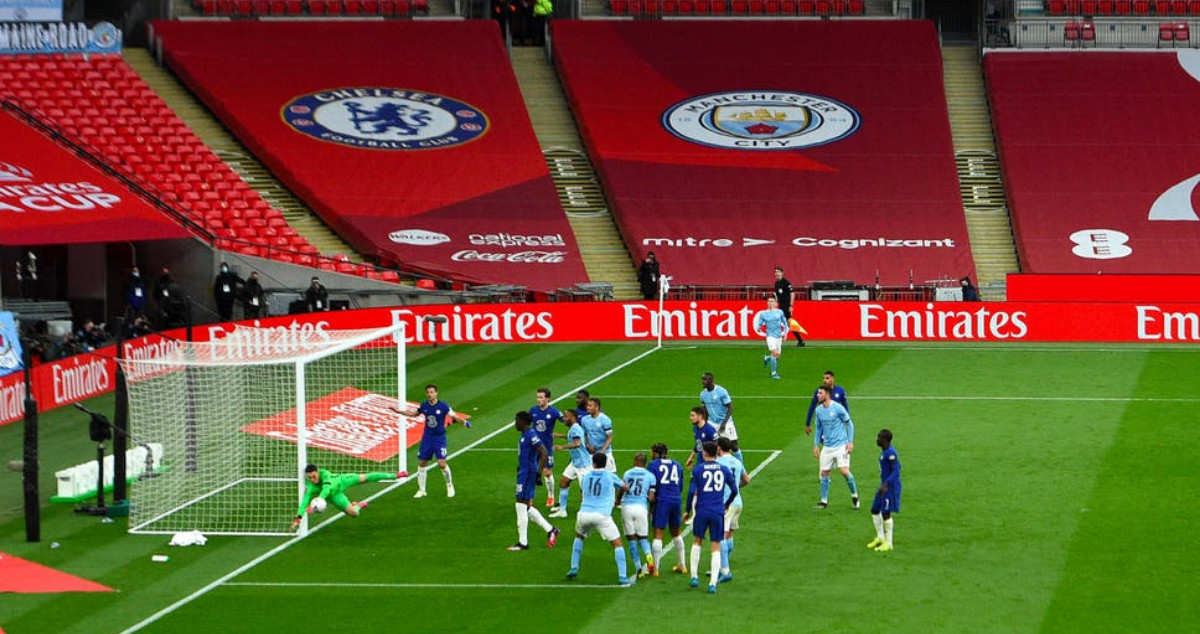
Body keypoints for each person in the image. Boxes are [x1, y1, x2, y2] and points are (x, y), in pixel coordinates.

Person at [566, 453, 633, 585]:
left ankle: (574, 567)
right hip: (601, 515)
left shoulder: (586, 476)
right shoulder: (609, 475)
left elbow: (582, 494)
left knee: (579, 536)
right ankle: (623, 576)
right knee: (617, 544)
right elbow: (625, 487)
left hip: (584, 513)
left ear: (593, 463)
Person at [683, 441, 737, 594]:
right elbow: (734, 490)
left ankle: (694, 576)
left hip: (702, 510)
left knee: (697, 541)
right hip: (717, 511)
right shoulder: (724, 469)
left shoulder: (698, 470)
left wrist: (687, 510)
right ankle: (713, 583)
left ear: (705, 453)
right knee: (716, 546)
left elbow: (690, 492)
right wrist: (726, 504)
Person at [509, 410, 561, 551]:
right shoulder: (524, 435)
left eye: (516, 420)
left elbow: (543, 452)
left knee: (520, 505)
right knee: (525, 506)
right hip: (524, 472)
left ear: (523, 422)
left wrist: (538, 473)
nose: (515, 423)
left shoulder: (531, 435)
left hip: (528, 474)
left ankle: (523, 543)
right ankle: (550, 530)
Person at [289, 463, 400, 530]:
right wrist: (299, 517)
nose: (313, 480)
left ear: (317, 472)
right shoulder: (311, 486)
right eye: (310, 478)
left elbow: (326, 489)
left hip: (342, 480)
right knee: (354, 513)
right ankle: (358, 505)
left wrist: (319, 499)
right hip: (335, 496)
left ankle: (395, 475)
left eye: (314, 476)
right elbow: (305, 501)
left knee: (364, 478)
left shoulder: (325, 473)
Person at [812, 385, 859, 509]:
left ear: (827, 394)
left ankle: (855, 496)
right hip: (827, 447)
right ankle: (824, 501)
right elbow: (818, 429)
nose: (817, 395)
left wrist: (850, 442)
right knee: (824, 473)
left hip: (841, 446)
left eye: (820, 393)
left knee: (844, 471)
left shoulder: (838, 408)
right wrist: (816, 445)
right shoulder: (818, 411)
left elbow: (849, 424)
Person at [407, 384, 457, 498]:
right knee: (422, 463)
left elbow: (454, 416)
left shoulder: (443, 406)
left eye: (431, 392)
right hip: (427, 438)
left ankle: (450, 485)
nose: (429, 394)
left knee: (441, 463)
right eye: (428, 392)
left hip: (439, 438)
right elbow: (414, 413)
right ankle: (422, 490)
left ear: (436, 393)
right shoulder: (424, 405)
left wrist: (464, 422)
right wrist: (399, 411)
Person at [647, 442, 688, 576]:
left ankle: (655, 569)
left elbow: (651, 485)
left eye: (652, 452)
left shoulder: (653, 465)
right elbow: (681, 485)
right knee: (676, 532)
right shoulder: (677, 464)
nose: (651, 455)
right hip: (676, 499)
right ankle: (682, 565)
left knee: (658, 533)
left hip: (662, 500)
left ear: (657, 453)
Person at [715, 437, 750, 583]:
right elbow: (747, 479)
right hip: (737, 502)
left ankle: (725, 569)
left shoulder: (718, 463)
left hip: (725, 503)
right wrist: (736, 489)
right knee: (729, 534)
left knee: (721, 535)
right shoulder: (737, 461)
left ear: (719, 448)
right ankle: (724, 563)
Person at [618, 452, 656, 578]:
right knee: (643, 538)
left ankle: (639, 569)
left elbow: (622, 489)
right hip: (641, 508)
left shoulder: (627, 473)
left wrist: (617, 501)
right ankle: (649, 557)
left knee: (631, 539)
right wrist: (650, 511)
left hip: (627, 507)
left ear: (635, 461)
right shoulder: (651, 476)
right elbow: (651, 497)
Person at [549, 409, 588, 518]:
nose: (564, 419)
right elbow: (573, 437)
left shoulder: (575, 428)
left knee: (585, 491)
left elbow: (577, 443)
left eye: (567, 417)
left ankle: (586, 513)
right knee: (563, 482)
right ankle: (562, 511)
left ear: (573, 418)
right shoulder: (574, 428)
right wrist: (560, 436)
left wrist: (562, 447)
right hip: (575, 463)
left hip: (583, 465)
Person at [530, 387, 564, 509]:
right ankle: (530, 497)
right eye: (537, 397)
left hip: (547, 447)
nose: (538, 399)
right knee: (532, 471)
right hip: (534, 447)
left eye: (541, 397)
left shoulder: (554, 412)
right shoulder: (533, 410)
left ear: (547, 399)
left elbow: (566, 421)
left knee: (547, 472)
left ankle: (550, 496)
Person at [868, 428, 901, 552]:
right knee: (874, 510)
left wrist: (886, 484)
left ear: (885, 440)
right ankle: (880, 537)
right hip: (883, 486)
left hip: (890, 487)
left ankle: (889, 543)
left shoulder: (891, 453)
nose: (877, 439)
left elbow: (897, 470)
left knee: (886, 513)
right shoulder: (884, 452)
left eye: (879, 437)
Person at [700, 372, 742, 463]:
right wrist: (705, 424)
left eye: (705, 379)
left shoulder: (721, 391)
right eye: (702, 379)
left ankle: (741, 467)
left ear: (711, 380)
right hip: (712, 423)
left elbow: (730, 408)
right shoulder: (703, 394)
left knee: (734, 446)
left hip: (726, 422)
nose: (702, 382)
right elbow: (705, 410)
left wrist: (724, 423)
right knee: (715, 446)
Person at [804, 370, 849, 437]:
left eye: (827, 378)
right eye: (823, 378)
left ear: (833, 379)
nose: (824, 380)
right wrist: (808, 424)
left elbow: (845, 406)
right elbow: (812, 407)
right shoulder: (819, 392)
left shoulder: (840, 390)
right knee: (826, 444)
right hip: (824, 423)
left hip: (836, 424)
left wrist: (847, 420)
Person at [753, 296, 788, 379]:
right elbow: (760, 323)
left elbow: (785, 322)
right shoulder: (763, 314)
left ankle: (767, 358)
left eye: (772, 301)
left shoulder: (780, 312)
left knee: (777, 356)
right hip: (770, 336)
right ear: (767, 303)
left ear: (776, 303)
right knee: (775, 353)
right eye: (769, 301)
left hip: (778, 336)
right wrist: (759, 327)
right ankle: (773, 373)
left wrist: (785, 334)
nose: (770, 303)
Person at [580, 397, 615, 473]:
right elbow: (585, 434)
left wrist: (603, 450)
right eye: (587, 405)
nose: (587, 407)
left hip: (605, 453)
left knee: (612, 477)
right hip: (591, 454)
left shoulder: (605, 420)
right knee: (591, 476)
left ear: (596, 407)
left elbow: (610, 437)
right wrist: (588, 445)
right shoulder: (584, 420)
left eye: (590, 406)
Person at [773, 266, 805, 346]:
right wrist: (776, 303)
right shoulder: (776, 283)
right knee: (776, 321)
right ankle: (775, 340)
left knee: (789, 323)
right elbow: (777, 295)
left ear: (782, 273)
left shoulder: (786, 282)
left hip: (786, 306)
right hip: (780, 306)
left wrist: (791, 305)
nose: (776, 273)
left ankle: (800, 340)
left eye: (778, 272)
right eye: (775, 272)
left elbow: (792, 294)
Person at [684, 406, 718, 470]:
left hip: (710, 462)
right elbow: (698, 444)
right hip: (700, 460)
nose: (690, 418)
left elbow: (718, 444)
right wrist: (691, 457)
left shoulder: (709, 429)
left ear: (700, 416)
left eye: (693, 416)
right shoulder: (695, 428)